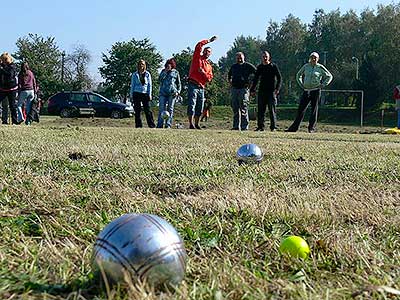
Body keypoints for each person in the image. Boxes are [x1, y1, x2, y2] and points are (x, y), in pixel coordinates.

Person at [286, 52, 333, 133]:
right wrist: (301, 84)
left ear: (318, 59)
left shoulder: (320, 67)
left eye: (315, 58)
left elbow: (329, 76)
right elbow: (298, 75)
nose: (313, 59)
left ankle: (311, 128)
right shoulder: (306, 66)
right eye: (312, 57)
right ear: (310, 58)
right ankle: (294, 128)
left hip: (315, 90)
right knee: (301, 109)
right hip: (306, 90)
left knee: (314, 110)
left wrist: (323, 85)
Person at [187, 36, 217, 129]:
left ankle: (197, 124)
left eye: (209, 52)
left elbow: (209, 78)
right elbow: (198, 45)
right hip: (193, 83)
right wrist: (209, 41)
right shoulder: (197, 58)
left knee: (200, 106)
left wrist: (203, 73)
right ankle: (191, 124)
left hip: (201, 87)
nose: (206, 53)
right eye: (206, 51)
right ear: (203, 51)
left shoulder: (209, 66)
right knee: (192, 104)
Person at [250, 51, 281, 132]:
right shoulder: (260, 67)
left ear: (269, 57)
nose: (265, 58)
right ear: (261, 57)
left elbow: (279, 78)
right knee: (260, 110)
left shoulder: (273, 66)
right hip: (262, 91)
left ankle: (273, 127)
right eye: (263, 56)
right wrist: (252, 89)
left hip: (271, 92)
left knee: (272, 110)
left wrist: (277, 89)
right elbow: (256, 79)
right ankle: (260, 127)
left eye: (266, 56)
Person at [228, 52, 256, 131]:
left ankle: (244, 127)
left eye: (240, 57)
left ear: (244, 57)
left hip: (244, 89)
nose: (239, 59)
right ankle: (236, 126)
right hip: (234, 89)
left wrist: (251, 83)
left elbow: (256, 73)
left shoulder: (248, 66)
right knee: (235, 108)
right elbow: (229, 75)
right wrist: (230, 82)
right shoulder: (233, 66)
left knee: (243, 107)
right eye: (237, 57)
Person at [130, 59, 155, 128]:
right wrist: (131, 95)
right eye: (140, 64)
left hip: (145, 93)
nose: (141, 65)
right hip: (136, 93)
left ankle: (151, 125)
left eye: (143, 64)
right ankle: (138, 126)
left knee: (148, 110)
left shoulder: (147, 74)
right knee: (137, 111)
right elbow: (132, 85)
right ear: (138, 65)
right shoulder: (134, 74)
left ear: (145, 66)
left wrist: (150, 94)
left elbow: (150, 85)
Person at [157, 58, 181, 128]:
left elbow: (179, 84)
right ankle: (160, 125)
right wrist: (165, 72)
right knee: (161, 108)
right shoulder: (163, 71)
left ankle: (168, 125)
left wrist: (178, 92)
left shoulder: (176, 72)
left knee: (170, 109)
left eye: (170, 65)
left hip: (172, 93)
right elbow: (159, 80)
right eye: (167, 65)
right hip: (163, 93)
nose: (168, 67)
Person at [0, 52, 18, 125]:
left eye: (4, 60)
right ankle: (4, 121)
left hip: (12, 89)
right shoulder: (3, 66)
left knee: (12, 105)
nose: (3, 62)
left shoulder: (12, 66)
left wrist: (2, 69)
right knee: (5, 106)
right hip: (3, 89)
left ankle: (14, 121)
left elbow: (10, 75)